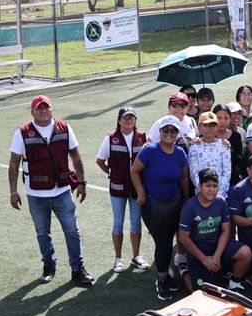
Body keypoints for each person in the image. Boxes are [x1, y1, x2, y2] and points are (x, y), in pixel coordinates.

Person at [10, 94, 95, 286]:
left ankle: (78, 269)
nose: (43, 111)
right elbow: (14, 163)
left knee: (72, 231)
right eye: (39, 108)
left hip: (62, 191)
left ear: (52, 109)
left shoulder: (65, 128)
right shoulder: (22, 133)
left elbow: (76, 156)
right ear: (32, 112)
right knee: (43, 233)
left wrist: (82, 182)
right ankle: (48, 266)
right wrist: (13, 192)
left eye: (46, 107)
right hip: (36, 195)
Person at [131, 117, 192, 299]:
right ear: (160, 132)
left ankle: (166, 274)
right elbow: (134, 170)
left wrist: (186, 199)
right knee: (164, 242)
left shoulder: (179, 152)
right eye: (166, 130)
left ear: (177, 133)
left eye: (173, 131)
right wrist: (141, 193)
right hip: (152, 205)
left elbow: (184, 177)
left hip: (174, 204)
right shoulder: (150, 151)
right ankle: (162, 278)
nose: (169, 134)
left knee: (166, 240)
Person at [176, 169, 252, 291]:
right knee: (199, 292)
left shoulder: (221, 202)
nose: (211, 189)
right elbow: (183, 238)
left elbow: (226, 231)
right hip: (200, 250)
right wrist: (204, 259)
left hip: (218, 246)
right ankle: (184, 269)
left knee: (246, 253)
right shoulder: (189, 207)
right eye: (208, 186)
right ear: (199, 186)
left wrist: (217, 256)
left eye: (215, 186)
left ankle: (234, 284)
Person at [95, 106, 148, 273]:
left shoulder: (142, 137)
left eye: (132, 117)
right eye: (125, 117)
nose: (129, 120)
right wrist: (112, 173)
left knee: (136, 223)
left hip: (137, 188)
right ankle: (118, 258)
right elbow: (100, 160)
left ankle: (136, 256)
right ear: (119, 120)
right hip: (117, 188)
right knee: (118, 223)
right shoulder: (111, 139)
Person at [189, 111, 233, 190]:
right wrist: (203, 190)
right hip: (201, 193)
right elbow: (193, 172)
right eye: (205, 125)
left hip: (220, 193)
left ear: (217, 127)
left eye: (212, 125)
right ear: (199, 127)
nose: (209, 128)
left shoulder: (224, 146)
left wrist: (218, 191)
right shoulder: (194, 147)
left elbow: (226, 172)